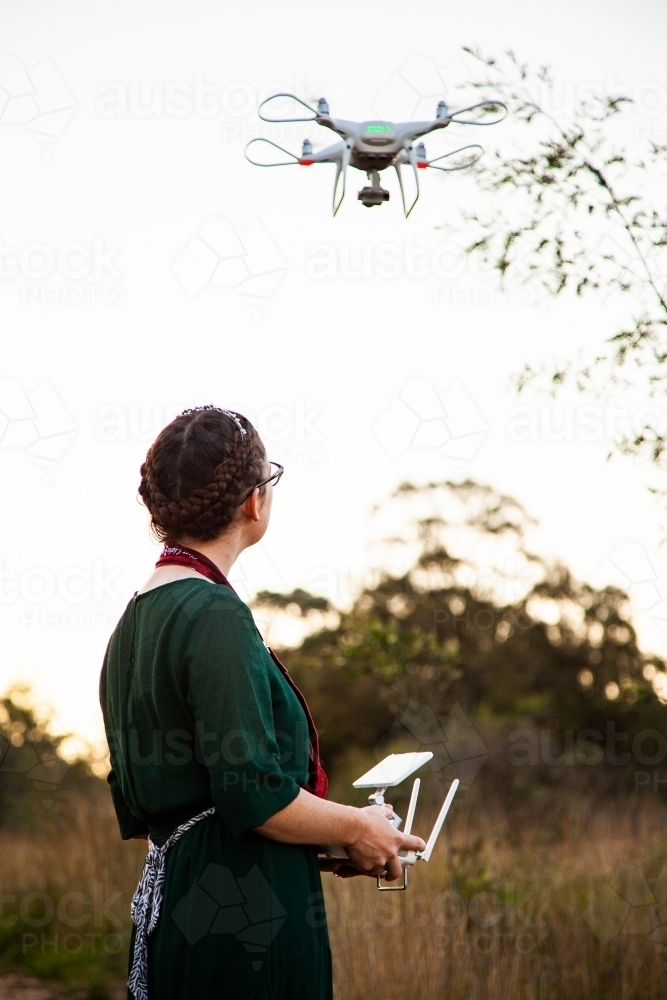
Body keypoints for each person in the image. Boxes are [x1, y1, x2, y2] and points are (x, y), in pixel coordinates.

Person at [99, 405, 425, 1000]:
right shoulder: (215, 614)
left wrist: (339, 841)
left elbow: (194, 805)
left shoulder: (130, 626)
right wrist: (358, 823)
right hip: (248, 921)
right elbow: (250, 791)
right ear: (254, 501)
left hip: (181, 905)